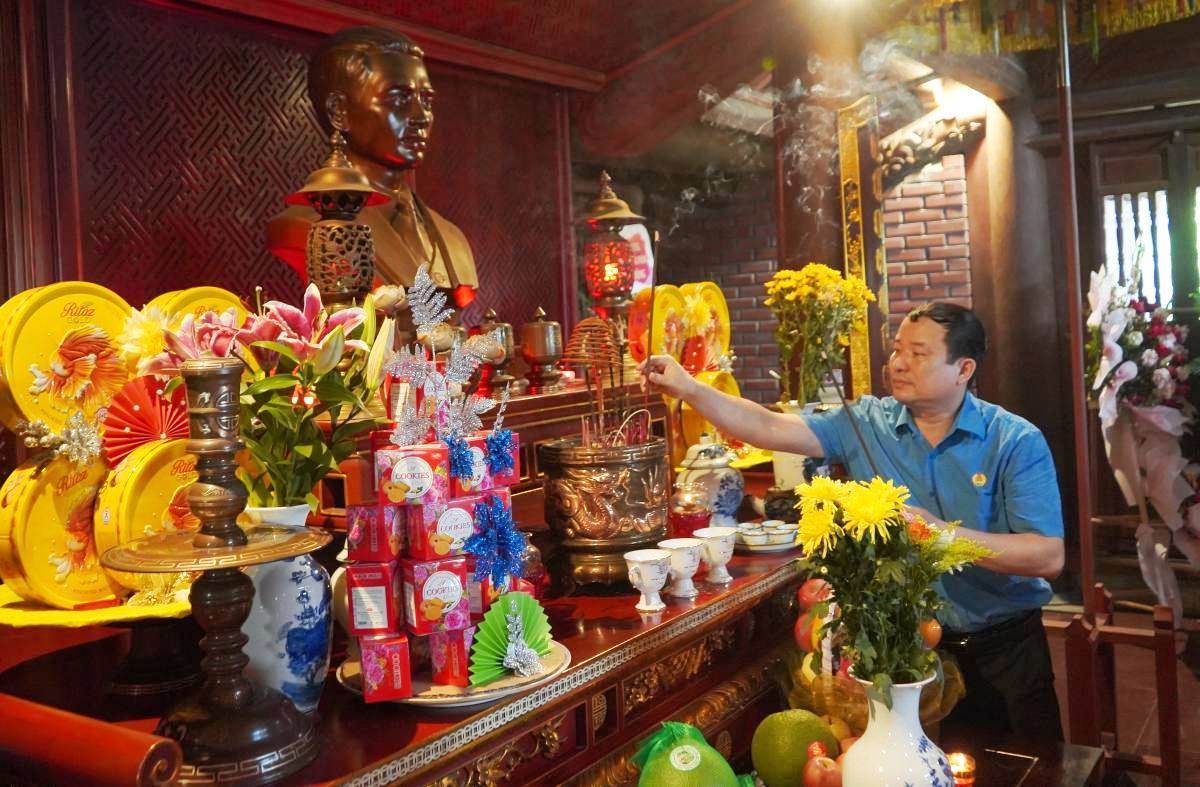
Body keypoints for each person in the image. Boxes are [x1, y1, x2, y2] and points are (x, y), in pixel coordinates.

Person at [641, 301, 1065, 740]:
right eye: (897, 350)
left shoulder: (1014, 439)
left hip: (1003, 651)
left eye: (918, 354)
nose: (898, 364)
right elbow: (765, 426)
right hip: (904, 652)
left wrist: (938, 535)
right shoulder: (866, 423)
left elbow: (1046, 555)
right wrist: (688, 387)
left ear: (963, 369)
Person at [268, 27, 479, 303]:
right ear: (339, 112)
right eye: (399, 98)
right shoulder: (310, 226)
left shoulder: (452, 238)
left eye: (426, 100)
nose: (422, 116)